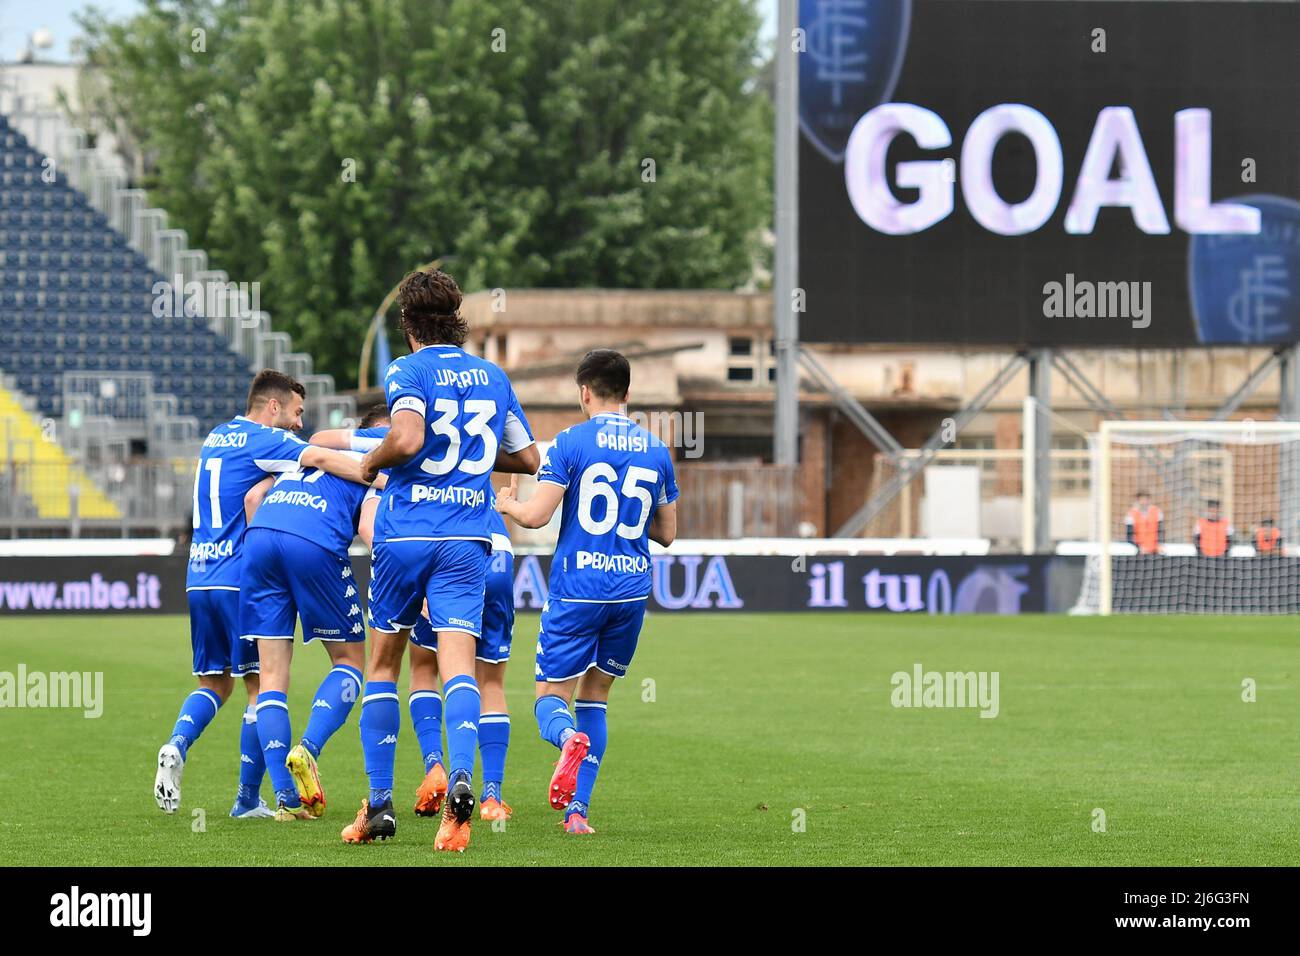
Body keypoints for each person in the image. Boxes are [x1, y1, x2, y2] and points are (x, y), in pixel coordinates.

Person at [342, 268, 538, 853]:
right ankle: (460, 782)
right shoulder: (493, 377)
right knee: (460, 667)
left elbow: (404, 438)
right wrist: (474, 459)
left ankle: (379, 807)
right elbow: (527, 457)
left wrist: (373, 463)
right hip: (469, 537)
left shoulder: (407, 369)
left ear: (409, 326)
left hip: (406, 535)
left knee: (384, 665)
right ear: (459, 322)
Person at [154, 370, 372, 818]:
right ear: (272, 406)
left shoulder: (218, 435)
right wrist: (378, 477)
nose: (297, 423)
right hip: (240, 575)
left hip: (199, 575)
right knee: (260, 686)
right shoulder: (263, 440)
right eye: (295, 413)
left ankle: (178, 742)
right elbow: (325, 459)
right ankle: (269, 798)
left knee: (214, 683)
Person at [495, 349, 678, 835]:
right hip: (631, 591)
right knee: (596, 697)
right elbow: (667, 533)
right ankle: (578, 813)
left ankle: (568, 739)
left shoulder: (570, 443)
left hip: (579, 588)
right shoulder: (657, 449)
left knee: (548, 701)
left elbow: (537, 516)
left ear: (583, 393)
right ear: (628, 394)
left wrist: (508, 504)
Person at [235, 407, 388, 821]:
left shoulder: (319, 445)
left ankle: (285, 800)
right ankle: (308, 748)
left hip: (262, 534)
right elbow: (372, 529)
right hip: (314, 540)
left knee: (270, 679)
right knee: (352, 662)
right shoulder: (387, 458)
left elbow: (252, 496)